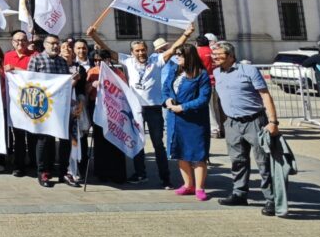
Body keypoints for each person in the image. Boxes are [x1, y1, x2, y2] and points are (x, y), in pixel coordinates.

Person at [90, 22, 193, 188]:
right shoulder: (128, 61)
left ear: (147, 50)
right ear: (132, 52)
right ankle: (140, 174)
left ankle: (165, 178)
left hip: (154, 109)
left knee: (158, 144)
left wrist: (186, 34)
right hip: (135, 110)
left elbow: (173, 48)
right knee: (137, 141)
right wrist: (94, 36)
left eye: (143, 50)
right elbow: (108, 51)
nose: (140, 53)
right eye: (137, 50)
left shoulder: (156, 60)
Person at [212, 41, 282, 216]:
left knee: (263, 162)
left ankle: (272, 199)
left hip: (255, 121)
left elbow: (265, 95)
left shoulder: (248, 71)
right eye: (214, 55)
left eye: (219, 55)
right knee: (237, 160)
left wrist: (273, 121)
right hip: (232, 123)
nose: (215, 58)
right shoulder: (216, 73)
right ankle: (239, 193)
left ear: (230, 56)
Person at [163, 44, 212, 201]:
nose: (177, 57)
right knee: (180, 152)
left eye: (180, 55)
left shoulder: (201, 75)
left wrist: (183, 107)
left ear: (189, 56)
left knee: (198, 154)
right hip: (175, 119)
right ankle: (188, 184)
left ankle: (199, 187)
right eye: (176, 54)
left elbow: (203, 98)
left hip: (194, 120)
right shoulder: (174, 70)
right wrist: (168, 99)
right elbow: (166, 88)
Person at [28, 34, 72, 188]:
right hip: (44, 106)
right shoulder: (37, 59)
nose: (55, 46)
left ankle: (63, 172)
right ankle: (43, 172)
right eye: (52, 43)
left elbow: (66, 83)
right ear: (45, 45)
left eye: (57, 43)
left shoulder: (62, 61)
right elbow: (30, 82)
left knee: (65, 139)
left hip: (61, 106)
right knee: (44, 140)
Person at [85, 46, 129, 185]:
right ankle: (102, 173)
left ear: (108, 60)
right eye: (95, 60)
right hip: (98, 109)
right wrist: (93, 84)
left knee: (116, 142)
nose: (98, 63)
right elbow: (86, 92)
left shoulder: (117, 72)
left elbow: (124, 90)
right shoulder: (92, 71)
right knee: (100, 142)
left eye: (101, 60)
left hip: (115, 110)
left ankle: (118, 173)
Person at [2, 31, 36, 177]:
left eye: (23, 40)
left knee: (33, 135)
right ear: (12, 42)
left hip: (31, 100)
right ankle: (19, 166)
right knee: (19, 136)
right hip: (15, 102)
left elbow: (34, 75)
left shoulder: (34, 55)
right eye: (17, 41)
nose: (20, 43)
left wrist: (16, 69)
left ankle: (34, 162)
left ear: (27, 41)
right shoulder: (8, 56)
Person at [196, 35, 226, 139]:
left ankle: (214, 129)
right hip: (216, 81)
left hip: (205, 82)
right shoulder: (214, 51)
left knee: (210, 108)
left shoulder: (199, 52)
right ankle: (220, 128)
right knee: (216, 107)